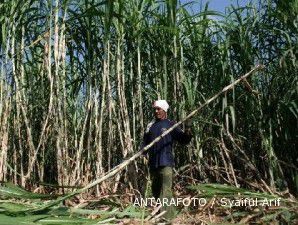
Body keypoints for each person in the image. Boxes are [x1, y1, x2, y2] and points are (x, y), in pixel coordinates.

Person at [142, 100, 193, 221]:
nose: (156, 111)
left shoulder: (171, 124)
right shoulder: (151, 126)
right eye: (155, 109)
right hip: (153, 163)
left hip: (166, 162)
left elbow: (183, 140)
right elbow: (145, 143)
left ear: (164, 110)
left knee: (166, 191)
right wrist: (143, 154)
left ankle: (168, 218)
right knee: (155, 190)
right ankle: (160, 214)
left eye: (158, 109)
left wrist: (189, 131)